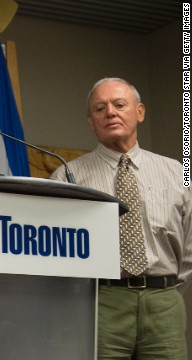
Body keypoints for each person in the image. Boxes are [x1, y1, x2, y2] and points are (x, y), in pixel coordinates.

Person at [51, 78, 191, 359]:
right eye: (100, 108)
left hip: (164, 300)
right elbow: (57, 253)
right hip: (101, 301)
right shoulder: (69, 176)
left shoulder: (175, 171)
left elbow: (189, 245)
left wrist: (167, 290)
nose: (110, 113)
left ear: (139, 112)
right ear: (91, 121)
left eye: (119, 105)